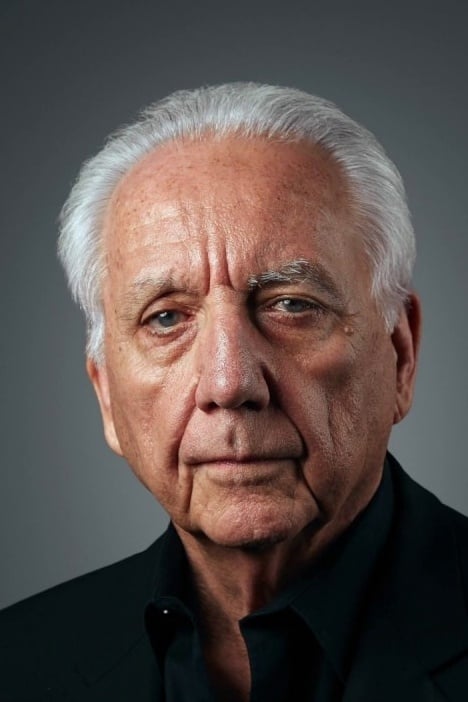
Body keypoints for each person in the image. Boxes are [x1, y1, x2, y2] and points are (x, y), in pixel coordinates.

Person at [1, 83, 467, 701]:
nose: (229, 383)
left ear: (400, 355)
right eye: (166, 318)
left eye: (292, 305)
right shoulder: (17, 663)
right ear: (106, 393)